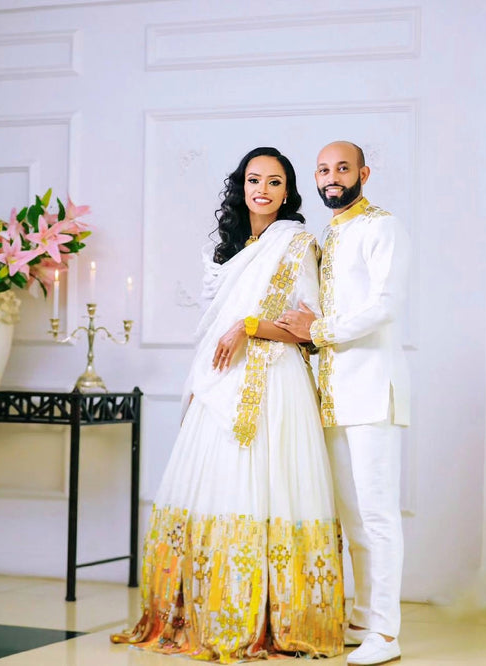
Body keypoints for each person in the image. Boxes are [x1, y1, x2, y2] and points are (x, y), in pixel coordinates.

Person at [111, 147, 344, 662]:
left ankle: (272, 618)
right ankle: (205, 612)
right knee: (215, 487)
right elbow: (215, 323)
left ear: (288, 192)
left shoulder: (297, 243)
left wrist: (249, 327)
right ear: (242, 187)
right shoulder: (231, 251)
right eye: (254, 179)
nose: (263, 189)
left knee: (270, 488)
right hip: (222, 381)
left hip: (274, 385)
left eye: (275, 181)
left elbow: (308, 330)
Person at [276, 141, 410, 666]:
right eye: (324, 170)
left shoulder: (382, 227)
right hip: (331, 392)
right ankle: (362, 618)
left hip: (372, 389)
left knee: (378, 516)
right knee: (352, 517)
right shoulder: (328, 235)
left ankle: (388, 632)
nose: (333, 177)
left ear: (363, 173)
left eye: (343, 168)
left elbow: (385, 305)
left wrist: (320, 330)